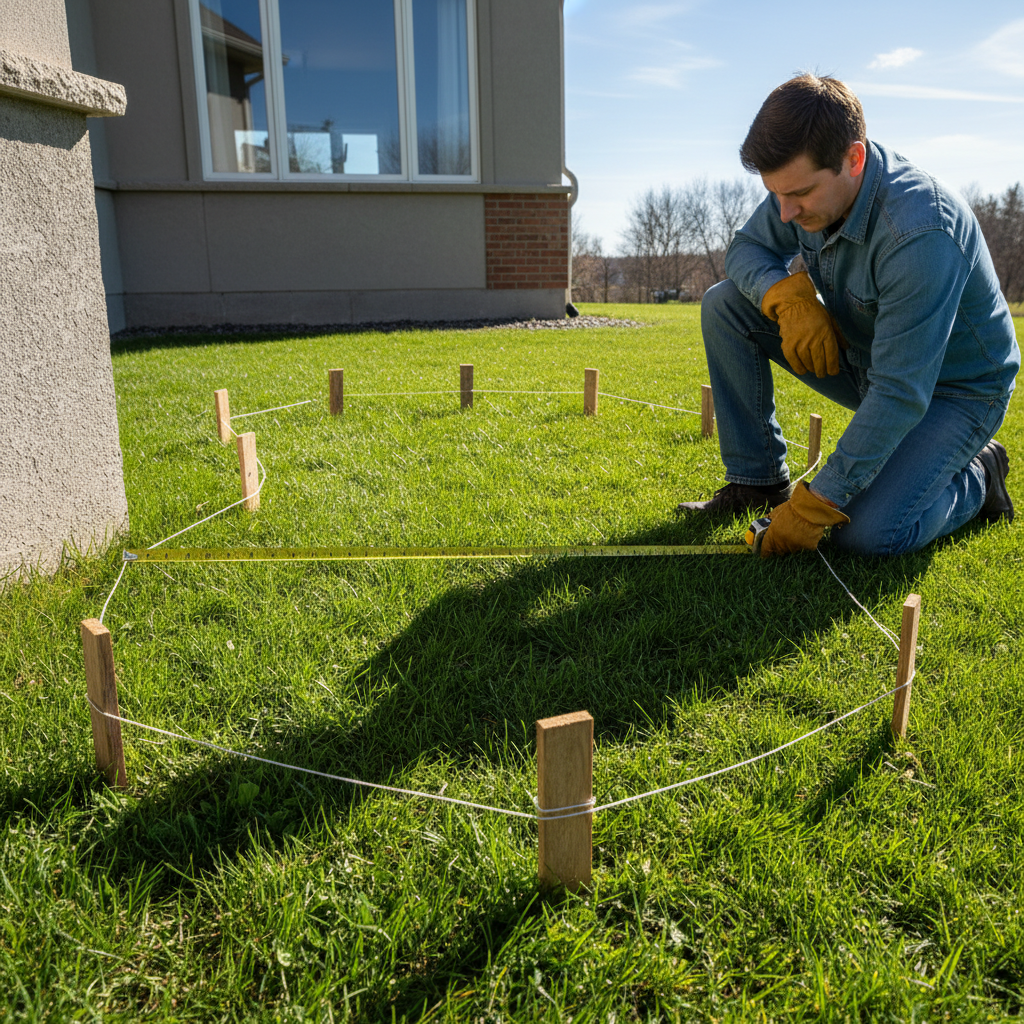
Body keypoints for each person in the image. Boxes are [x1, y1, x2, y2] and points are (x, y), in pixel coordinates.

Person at [678, 73, 1019, 557]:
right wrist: (789, 299)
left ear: (853, 159)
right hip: (867, 360)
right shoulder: (807, 184)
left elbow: (901, 392)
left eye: (798, 195)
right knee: (725, 304)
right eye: (775, 193)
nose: (784, 214)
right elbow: (747, 247)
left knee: (867, 534)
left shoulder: (921, 231)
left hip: (954, 392)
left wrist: (817, 502)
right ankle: (756, 482)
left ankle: (981, 475)